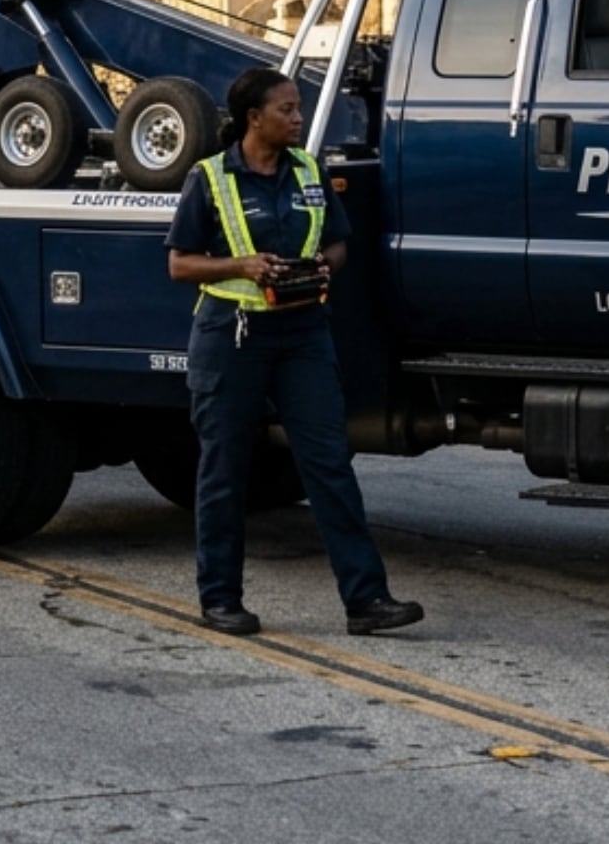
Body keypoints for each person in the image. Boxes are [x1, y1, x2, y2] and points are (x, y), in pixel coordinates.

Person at [164, 67, 424, 639]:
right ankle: (221, 600)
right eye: (287, 109)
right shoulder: (211, 178)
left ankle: (367, 600)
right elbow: (180, 263)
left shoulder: (309, 171)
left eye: (299, 107)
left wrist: (321, 266)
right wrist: (244, 266)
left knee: (329, 466)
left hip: (303, 332)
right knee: (225, 470)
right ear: (253, 119)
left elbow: (338, 242)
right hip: (233, 337)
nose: (299, 118)